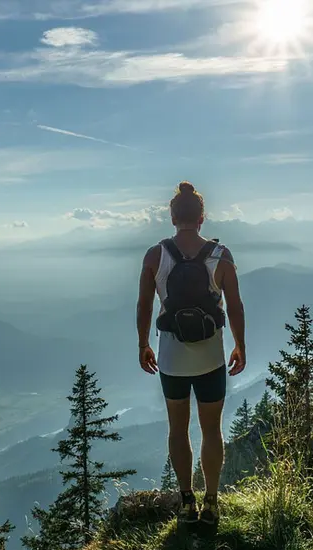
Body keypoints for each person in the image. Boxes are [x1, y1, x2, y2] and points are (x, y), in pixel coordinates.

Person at [136, 181, 247, 528]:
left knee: (178, 429)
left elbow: (144, 304)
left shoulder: (156, 255)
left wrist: (143, 344)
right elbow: (235, 306)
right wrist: (240, 345)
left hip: (172, 358)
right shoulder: (221, 256)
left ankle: (187, 502)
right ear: (202, 217)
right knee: (211, 430)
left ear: (172, 217)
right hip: (211, 357)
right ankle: (212, 501)